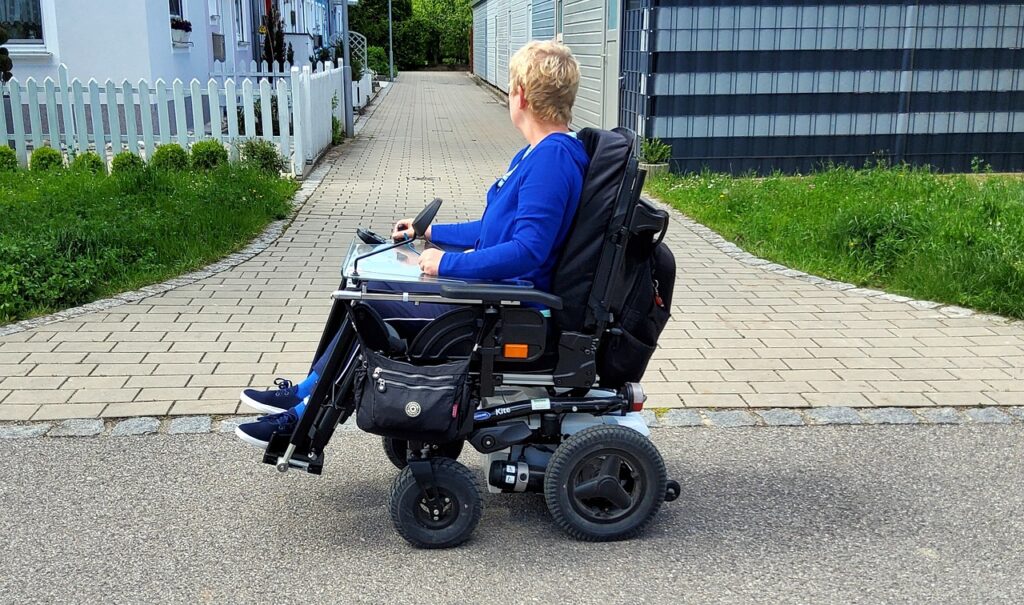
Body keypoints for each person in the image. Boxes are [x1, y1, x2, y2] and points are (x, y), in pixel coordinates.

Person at [234, 40, 590, 447]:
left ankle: (302, 418)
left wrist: (445, 265)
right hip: (494, 295)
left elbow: (528, 251)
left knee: (365, 299)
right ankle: (307, 391)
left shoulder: (551, 160)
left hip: (506, 306)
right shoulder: (536, 154)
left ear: (520, 95)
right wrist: (430, 234)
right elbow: (492, 230)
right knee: (360, 284)